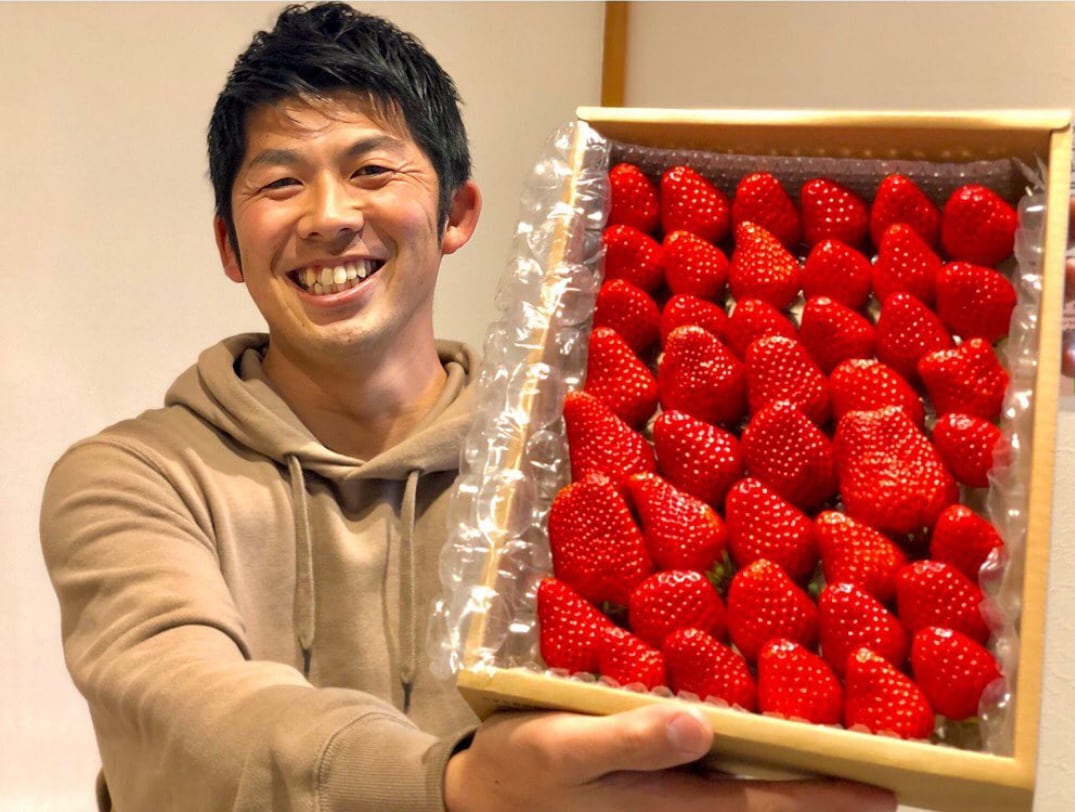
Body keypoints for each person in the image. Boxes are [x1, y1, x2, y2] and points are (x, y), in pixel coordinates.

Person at [39, 3, 896, 811]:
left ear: (456, 213)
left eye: (371, 171)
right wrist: (450, 785)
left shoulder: (574, 457)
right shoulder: (133, 478)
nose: (329, 216)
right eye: (280, 184)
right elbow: (184, 716)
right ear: (230, 245)